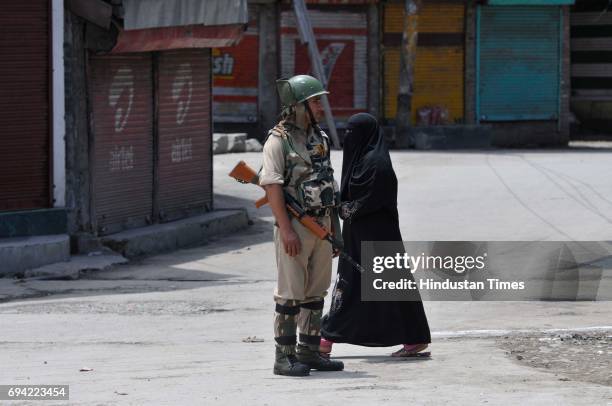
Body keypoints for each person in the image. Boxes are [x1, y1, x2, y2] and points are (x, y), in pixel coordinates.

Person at [320, 112, 431, 357]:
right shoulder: (362, 161)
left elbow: (364, 201)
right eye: (346, 131)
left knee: (359, 286)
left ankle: (325, 339)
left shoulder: (376, 165)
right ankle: (415, 338)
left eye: (353, 132)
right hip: (359, 235)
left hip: (378, 235)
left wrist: (341, 209)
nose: (349, 137)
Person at [259, 74, 345, 376]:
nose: (321, 107)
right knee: (290, 294)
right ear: (298, 107)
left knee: (315, 292)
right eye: (315, 101)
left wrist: (334, 230)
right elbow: (272, 188)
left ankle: (308, 352)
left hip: (321, 227)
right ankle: (284, 357)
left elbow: (327, 186)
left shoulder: (319, 139)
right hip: (294, 229)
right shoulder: (277, 142)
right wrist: (286, 230)